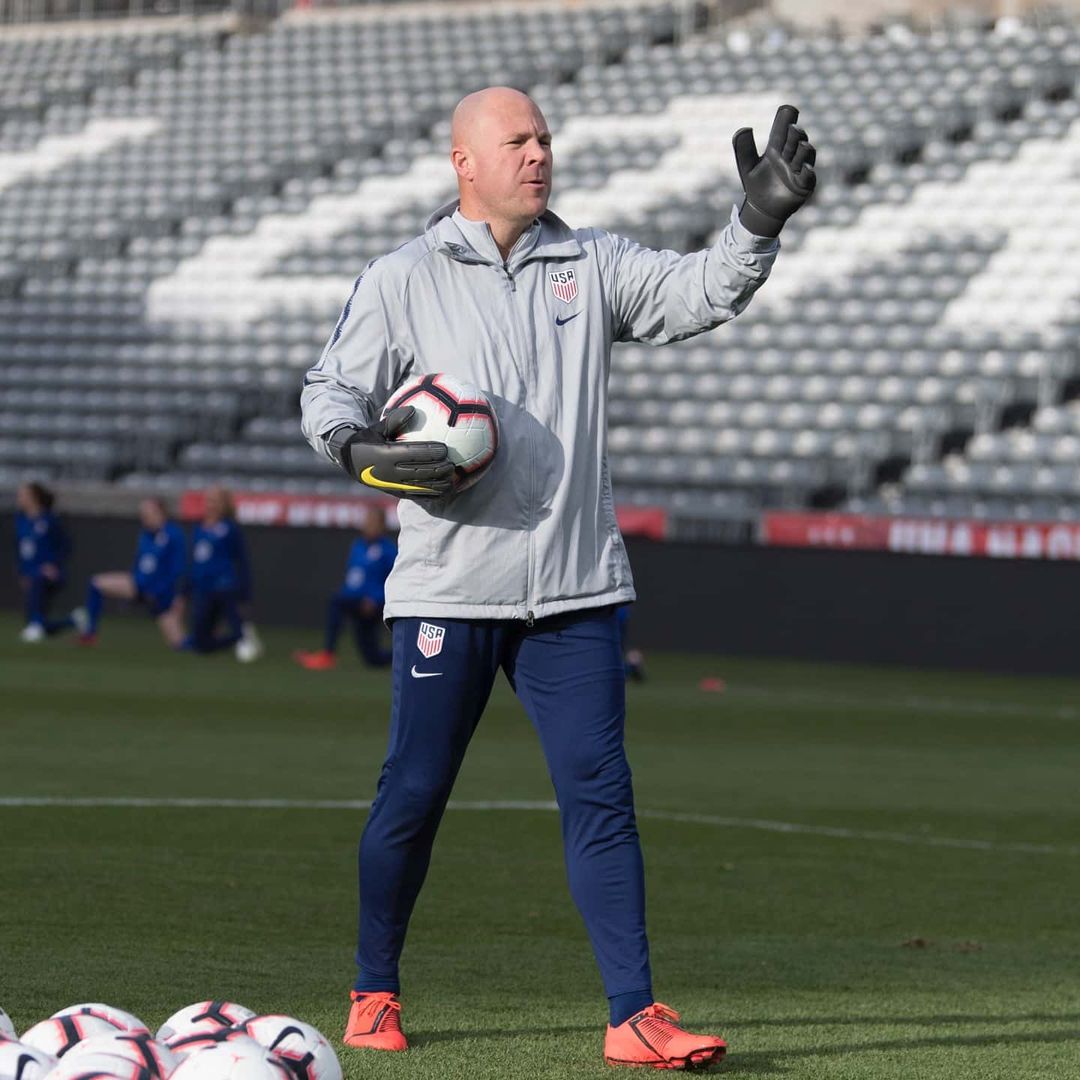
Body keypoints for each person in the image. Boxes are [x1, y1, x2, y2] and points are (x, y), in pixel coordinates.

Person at [300, 87, 815, 1069]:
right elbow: (331, 391)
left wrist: (757, 220)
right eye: (518, 141)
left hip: (577, 593)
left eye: (544, 138)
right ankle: (373, 991)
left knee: (601, 798)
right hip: (451, 591)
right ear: (465, 162)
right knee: (411, 797)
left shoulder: (594, 261)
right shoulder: (402, 277)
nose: (539, 154)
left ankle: (633, 1015)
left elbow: (702, 291)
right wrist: (352, 445)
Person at [73, 497, 187, 647]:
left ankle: (213, 642)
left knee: (178, 643)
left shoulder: (173, 534)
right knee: (96, 583)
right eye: (142, 513)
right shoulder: (145, 534)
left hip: (161, 593)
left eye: (148, 512)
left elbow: (179, 568)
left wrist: (177, 596)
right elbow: (140, 564)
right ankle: (90, 633)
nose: (144, 516)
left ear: (161, 512)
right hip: (138, 585)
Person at [293, 506, 397, 671]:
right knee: (338, 604)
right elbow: (353, 575)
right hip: (353, 599)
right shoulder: (358, 546)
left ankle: (328, 654)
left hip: (371, 604)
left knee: (373, 657)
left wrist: (376, 600)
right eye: (367, 521)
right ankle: (328, 654)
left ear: (382, 525)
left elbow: (393, 579)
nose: (368, 525)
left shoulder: (388, 550)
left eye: (373, 522)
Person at [183, 486, 263, 662]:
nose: (211, 505)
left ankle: (244, 640)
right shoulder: (199, 528)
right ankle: (237, 640)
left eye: (215, 501)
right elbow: (195, 560)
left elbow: (241, 561)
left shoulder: (230, 529)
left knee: (234, 622)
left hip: (225, 586)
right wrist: (186, 588)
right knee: (201, 642)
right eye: (209, 500)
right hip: (203, 587)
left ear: (224, 504)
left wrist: (245, 591)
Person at [14, 481, 74, 642]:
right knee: (37, 620)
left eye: (22, 495)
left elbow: (65, 546)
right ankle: (73, 621)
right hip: (30, 572)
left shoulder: (50, 520)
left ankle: (36, 625)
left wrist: (53, 565)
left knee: (38, 582)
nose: (18, 498)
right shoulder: (21, 520)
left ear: (33, 497)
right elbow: (22, 550)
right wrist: (22, 571)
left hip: (49, 573)